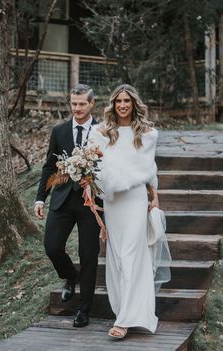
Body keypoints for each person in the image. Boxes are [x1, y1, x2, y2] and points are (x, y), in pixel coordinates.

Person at [87, 84, 160, 338]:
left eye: (127, 100)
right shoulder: (102, 133)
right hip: (113, 200)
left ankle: (126, 320)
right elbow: (95, 166)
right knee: (117, 258)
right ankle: (122, 312)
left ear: (134, 103)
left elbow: (148, 169)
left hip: (135, 199)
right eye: (118, 101)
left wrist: (155, 196)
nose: (122, 105)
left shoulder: (147, 134)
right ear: (113, 104)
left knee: (131, 255)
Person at [34, 84, 102, 328]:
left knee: (89, 255)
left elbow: (112, 165)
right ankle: (70, 276)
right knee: (52, 246)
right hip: (62, 199)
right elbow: (48, 167)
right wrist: (41, 197)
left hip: (91, 201)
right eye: (74, 103)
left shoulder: (103, 131)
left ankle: (84, 309)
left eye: (82, 104)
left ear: (92, 104)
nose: (77, 108)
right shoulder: (59, 131)